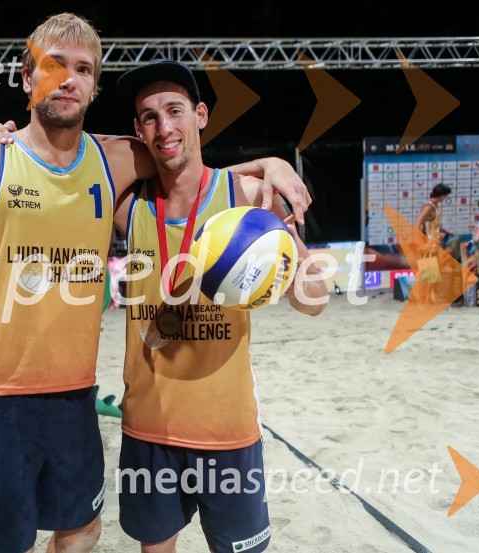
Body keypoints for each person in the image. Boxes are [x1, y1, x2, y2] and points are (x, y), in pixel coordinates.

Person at [0, 13, 312, 553]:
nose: (69, 79)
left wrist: (271, 163)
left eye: (83, 70)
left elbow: (183, 158)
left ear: (94, 86)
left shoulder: (115, 159)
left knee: (83, 531)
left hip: (76, 397)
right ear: (27, 79)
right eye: (54, 67)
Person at [111, 60, 327, 553]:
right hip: (149, 426)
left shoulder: (249, 199)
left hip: (226, 431)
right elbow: (75, 155)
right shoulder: (130, 206)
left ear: (201, 115)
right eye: (148, 117)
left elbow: (313, 304)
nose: (164, 127)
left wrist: (299, 275)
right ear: (138, 131)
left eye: (175, 110)